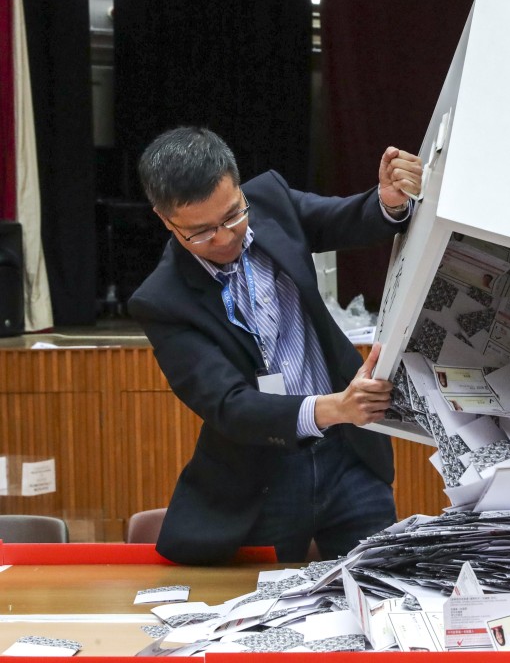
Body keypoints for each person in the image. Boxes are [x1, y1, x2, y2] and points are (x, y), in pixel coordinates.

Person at [128, 126, 422, 565]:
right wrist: (334, 408)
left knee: (379, 588)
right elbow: (230, 405)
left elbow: (344, 218)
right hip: (262, 476)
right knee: (265, 609)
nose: (226, 238)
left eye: (232, 216)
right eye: (202, 233)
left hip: (349, 458)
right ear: (165, 219)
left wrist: (389, 201)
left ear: (237, 184)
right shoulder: (163, 300)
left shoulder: (269, 200)